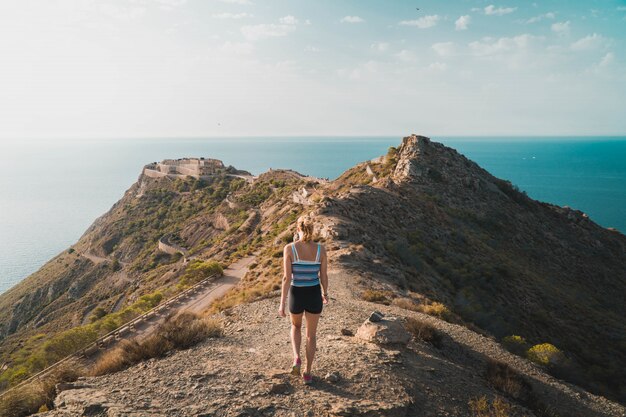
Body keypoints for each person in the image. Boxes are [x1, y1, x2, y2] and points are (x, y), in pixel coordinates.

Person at [278, 215, 328, 385]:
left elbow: (286, 278)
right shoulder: (321, 250)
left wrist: (282, 303)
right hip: (314, 294)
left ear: (297, 229)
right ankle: (307, 373)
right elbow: (324, 276)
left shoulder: (289, 248)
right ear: (312, 230)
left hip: (296, 294)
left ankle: (297, 358)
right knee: (311, 335)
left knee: (295, 326)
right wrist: (325, 293)